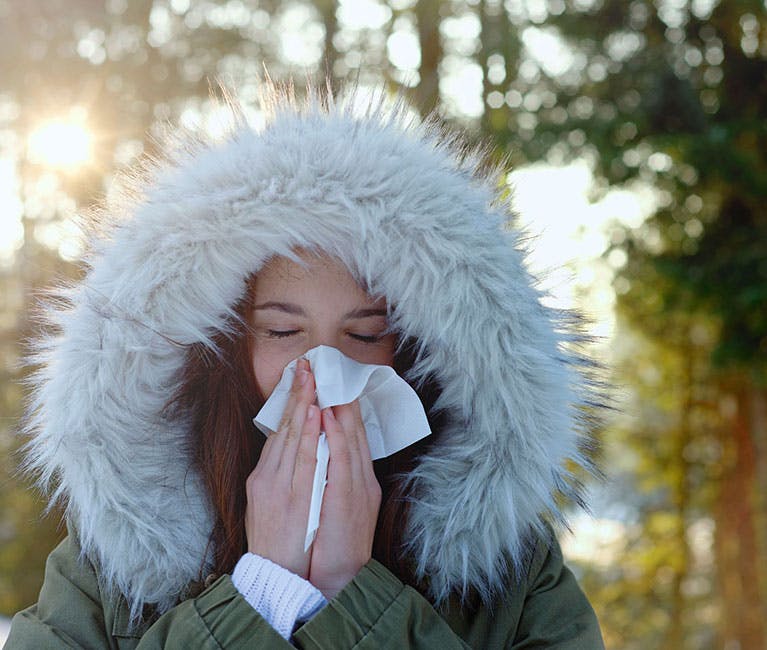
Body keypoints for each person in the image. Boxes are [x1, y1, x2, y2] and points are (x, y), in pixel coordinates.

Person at [7, 79, 605, 648]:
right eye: (283, 330)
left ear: (418, 350)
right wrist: (264, 591)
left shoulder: (511, 568)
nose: (323, 369)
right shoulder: (113, 563)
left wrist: (351, 594)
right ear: (224, 349)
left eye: (366, 334)